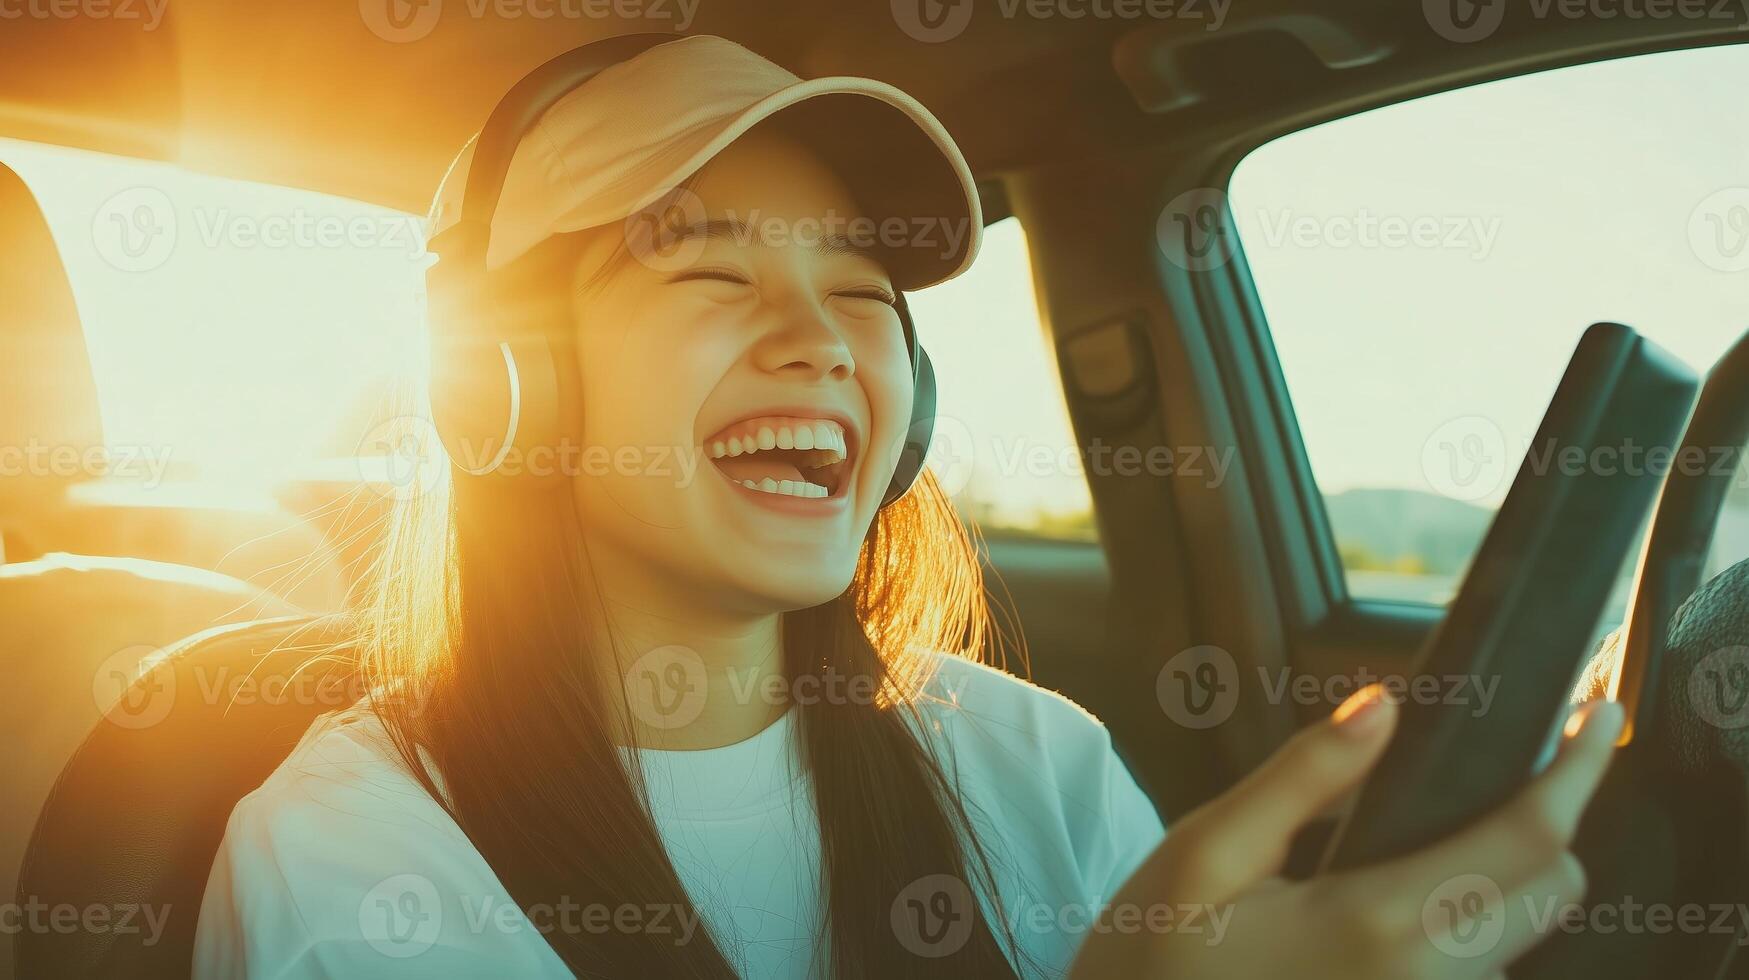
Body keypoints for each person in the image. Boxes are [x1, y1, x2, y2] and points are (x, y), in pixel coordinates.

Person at [192, 34, 1621, 979]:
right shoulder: (349, 860)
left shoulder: (1033, 762)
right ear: (503, 385)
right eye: (709, 273)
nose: (819, 340)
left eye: (863, 294)